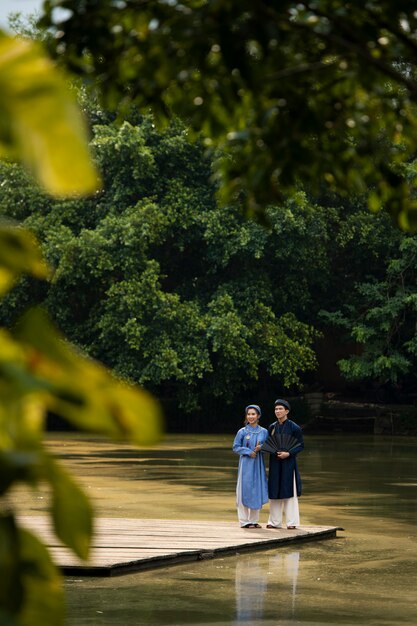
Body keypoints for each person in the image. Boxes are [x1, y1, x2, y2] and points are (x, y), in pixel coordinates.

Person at [266, 399, 304, 530]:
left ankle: (291, 522)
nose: (277, 411)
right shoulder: (272, 427)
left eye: (280, 409)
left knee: (289, 491)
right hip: (275, 462)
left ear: (286, 411)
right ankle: (274, 521)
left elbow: (300, 445)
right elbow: (269, 443)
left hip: (289, 462)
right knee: (274, 490)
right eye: (276, 409)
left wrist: (288, 453)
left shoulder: (295, 428)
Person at [232, 404, 268, 528]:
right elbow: (235, 447)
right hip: (246, 465)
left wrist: (261, 448)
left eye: (253, 414)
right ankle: (244, 520)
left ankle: (254, 520)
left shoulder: (264, 431)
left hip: (258, 464)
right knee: (244, 490)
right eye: (249, 414)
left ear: (258, 415)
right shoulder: (242, 432)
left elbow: (269, 448)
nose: (251, 416)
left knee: (256, 489)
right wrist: (248, 452)